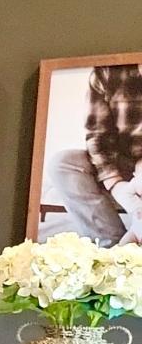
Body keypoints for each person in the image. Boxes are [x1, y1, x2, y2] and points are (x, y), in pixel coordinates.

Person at [50, 63, 142, 245]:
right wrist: (115, 184)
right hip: (121, 163)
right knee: (62, 163)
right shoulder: (107, 72)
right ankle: (112, 247)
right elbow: (97, 135)